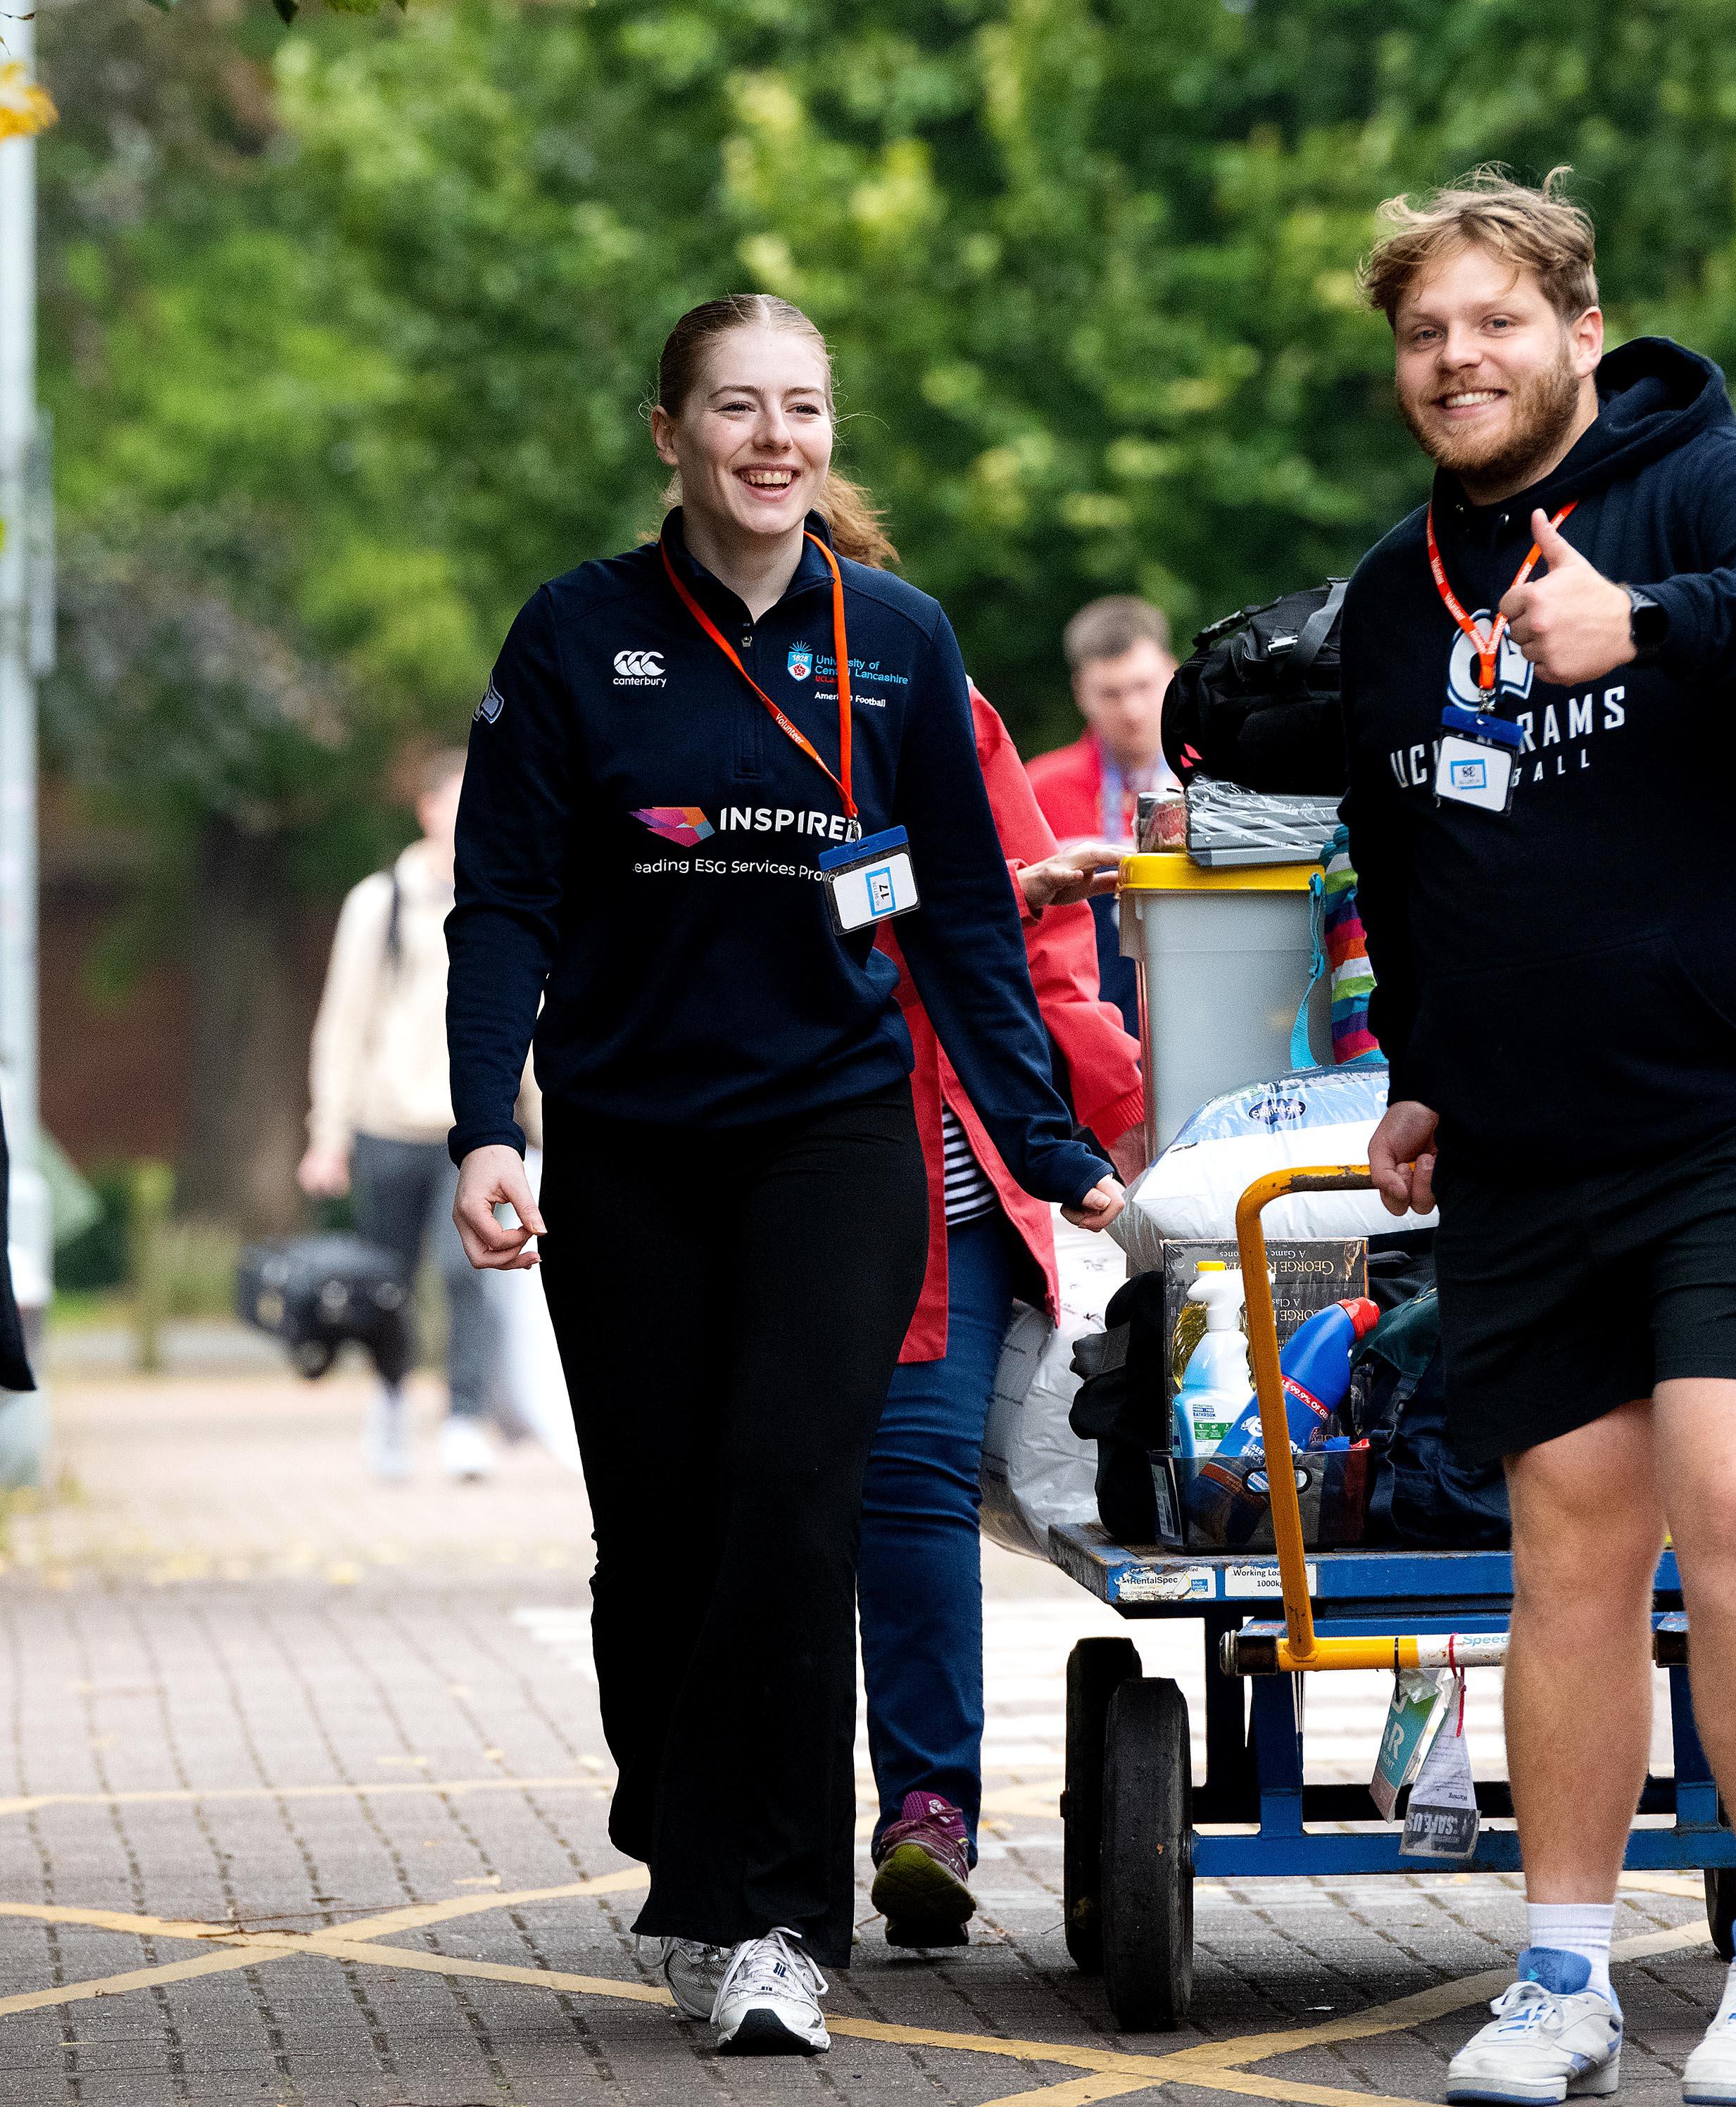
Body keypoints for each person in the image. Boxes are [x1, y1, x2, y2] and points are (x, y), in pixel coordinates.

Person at [444, 294, 1124, 2058]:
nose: (773, 440)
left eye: (803, 407)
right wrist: (487, 1126)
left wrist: (1052, 1147)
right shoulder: (578, 636)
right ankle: (685, 1824)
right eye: (735, 407)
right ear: (667, 432)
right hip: (636, 1146)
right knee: (657, 1538)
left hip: (834, 1139)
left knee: (786, 1499)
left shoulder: (895, 636)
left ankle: (773, 1919)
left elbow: (967, 920)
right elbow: (504, 903)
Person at [1340, 170, 1736, 2107]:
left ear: (1578, 331)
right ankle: (1563, 1974)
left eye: (1493, 320)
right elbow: (1408, 856)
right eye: (1424, 333)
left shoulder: (1712, 486)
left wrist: (1640, 621)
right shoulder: (1389, 594)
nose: (1456, 359)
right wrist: (1419, 1064)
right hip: (1531, 1136)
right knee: (1567, 1547)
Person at [860, 679, 1145, 1950]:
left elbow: (1048, 964)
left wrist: (1104, 1092)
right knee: (764, 1502)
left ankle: (929, 1809)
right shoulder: (696, 706)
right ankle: (754, 1837)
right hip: (766, 1154)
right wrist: (983, 893)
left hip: (947, 1175)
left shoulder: (930, 696)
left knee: (916, 1477)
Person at [299, 750, 510, 1483]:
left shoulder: (505, 893)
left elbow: (534, 1022)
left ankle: (464, 1415)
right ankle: (390, 1400)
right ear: (427, 808)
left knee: (468, 1273)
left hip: (474, 1127)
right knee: (385, 1284)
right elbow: (343, 1023)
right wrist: (327, 1134)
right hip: (389, 1123)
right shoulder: (378, 901)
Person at [1024, 595, 1176, 1032]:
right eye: (1111, 693)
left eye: (1144, 686)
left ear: (1172, 671)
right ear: (1080, 692)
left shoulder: (1216, 785)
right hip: (1085, 1031)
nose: (1132, 711)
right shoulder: (1038, 790)